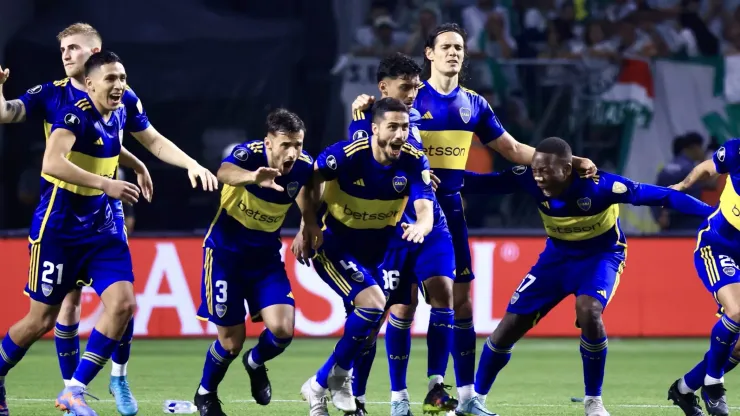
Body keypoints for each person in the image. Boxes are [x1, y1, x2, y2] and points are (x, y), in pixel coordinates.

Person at [350, 22, 597, 412]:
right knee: (402, 304)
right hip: (401, 211)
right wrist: (365, 109)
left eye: (459, 48)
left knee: (460, 302)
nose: (454, 53)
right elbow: (373, 139)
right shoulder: (408, 101)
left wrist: (565, 160)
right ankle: (395, 396)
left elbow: (513, 148)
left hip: (449, 210)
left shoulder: (474, 105)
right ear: (428, 53)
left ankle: (463, 397)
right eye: (446, 46)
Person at [0, 22, 216, 416]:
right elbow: (48, 155)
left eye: (74, 48)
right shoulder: (63, 103)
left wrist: (184, 164)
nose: (66, 54)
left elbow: (145, 138)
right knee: (44, 318)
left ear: (95, 54)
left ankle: (83, 387)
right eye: (62, 49)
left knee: (123, 303)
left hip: (102, 220)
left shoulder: (121, 98)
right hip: (59, 220)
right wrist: (108, 182)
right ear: (94, 79)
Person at [456, 137, 713, 416]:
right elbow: (482, 183)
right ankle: (474, 400)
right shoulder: (527, 178)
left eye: (545, 171)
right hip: (556, 260)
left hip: (601, 257)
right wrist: (434, 175)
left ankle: (594, 401)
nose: (538, 176)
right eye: (535, 169)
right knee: (509, 327)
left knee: (589, 311)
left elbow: (664, 196)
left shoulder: (601, 186)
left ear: (567, 169)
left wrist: (713, 215)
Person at [293, 97, 435, 415]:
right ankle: (339, 377)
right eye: (392, 127)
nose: (400, 134)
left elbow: (425, 206)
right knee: (372, 305)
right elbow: (310, 181)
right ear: (374, 129)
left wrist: (423, 226)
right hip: (334, 245)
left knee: (366, 330)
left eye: (405, 127)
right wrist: (308, 223)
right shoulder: (345, 155)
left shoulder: (413, 159)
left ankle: (318, 386)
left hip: (377, 252)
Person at [344, 52, 456, 416]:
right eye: (405, 86)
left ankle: (436, 387)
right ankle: (392, 397)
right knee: (396, 308)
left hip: (429, 220)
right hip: (390, 226)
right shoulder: (365, 125)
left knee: (443, 292)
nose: (412, 93)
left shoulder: (419, 115)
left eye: (416, 86)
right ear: (383, 86)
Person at [193, 109, 314, 416]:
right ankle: (206, 393)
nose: (293, 152)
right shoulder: (248, 155)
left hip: (264, 260)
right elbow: (223, 172)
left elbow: (308, 194)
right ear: (268, 143)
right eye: (285, 145)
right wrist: (252, 178)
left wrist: (307, 225)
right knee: (231, 342)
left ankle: (255, 362)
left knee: (283, 330)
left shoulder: (302, 167)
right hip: (224, 255)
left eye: (298, 145)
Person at [668, 138, 740, 416]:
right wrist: (685, 184)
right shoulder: (736, 151)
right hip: (718, 244)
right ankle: (713, 386)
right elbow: (709, 167)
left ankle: (683, 389)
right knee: (737, 312)